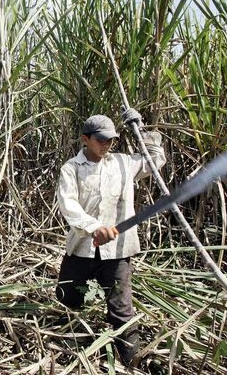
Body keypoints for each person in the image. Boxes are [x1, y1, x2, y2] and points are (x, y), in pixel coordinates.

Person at [55, 109, 166, 365]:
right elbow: (68, 205)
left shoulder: (123, 163)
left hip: (117, 252)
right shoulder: (71, 169)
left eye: (111, 140)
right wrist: (95, 227)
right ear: (85, 139)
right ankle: (67, 356)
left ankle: (130, 363)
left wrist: (143, 130)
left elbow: (156, 160)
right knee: (68, 298)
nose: (106, 145)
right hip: (81, 249)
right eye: (101, 139)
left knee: (121, 311)